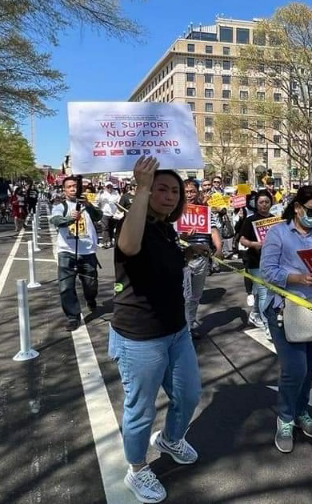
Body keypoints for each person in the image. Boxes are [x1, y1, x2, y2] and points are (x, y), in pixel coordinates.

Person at [108, 157, 201, 504]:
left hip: (177, 332)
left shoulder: (165, 228)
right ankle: (137, 468)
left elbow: (162, 261)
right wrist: (142, 187)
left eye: (175, 191)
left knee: (189, 395)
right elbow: (130, 247)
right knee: (140, 410)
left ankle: (170, 439)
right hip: (139, 338)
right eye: (161, 188)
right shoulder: (133, 223)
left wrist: (187, 251)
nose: (169, 195)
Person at [260, 185, 312, 454]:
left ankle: (302, 411)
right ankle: (285, 418)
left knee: (310, 368)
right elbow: (268, 272)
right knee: (295, 369)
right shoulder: (278, 233)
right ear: (298, 207)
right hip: (283, 308)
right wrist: (298, 278)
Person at [49, 176, 102, 332]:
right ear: (64, 190)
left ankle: (90, 299)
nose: (73, 189)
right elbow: (56, 220)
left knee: (91, 284)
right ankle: (73, 317)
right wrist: (69, 219)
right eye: (70, 186)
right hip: (67, 251)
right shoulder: (61, 206)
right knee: (66, 286)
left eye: (75, 186)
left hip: (88, 252)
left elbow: (98, 216)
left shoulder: (87, 204)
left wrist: (88, 205)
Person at [177, 179, 223, 338]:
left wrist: (219, 248)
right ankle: (179, 328)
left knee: (195, 295)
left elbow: (214, 229)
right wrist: (183, 235)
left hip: (201, 258)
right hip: (181, 258)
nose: (189, 195)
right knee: (181, 295)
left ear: (198, 192)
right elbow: (170, 236)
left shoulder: (205, 210)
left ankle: (189, 326)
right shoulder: (176, 211)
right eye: (186, 192)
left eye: (192, 191)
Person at [238, 189, 274, 338]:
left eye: (267, 202)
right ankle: (267, 325)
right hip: (255, 261)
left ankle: (254, 314)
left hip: (271, 261)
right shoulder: (250, 219)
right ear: (256, 204)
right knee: (264, 292)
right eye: (261, 202)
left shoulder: (275, 219)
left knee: (261, 292)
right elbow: (242, 239)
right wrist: (254, 244)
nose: (264, 205)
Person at [98, 181, 121, 249]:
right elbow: (97, 201)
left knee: (111, 228)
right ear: (105, 187)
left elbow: (119, 201)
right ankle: (106, 242)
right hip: (104, 213)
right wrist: (100, 196)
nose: (109, 188)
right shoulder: (102, 193)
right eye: (107, 186)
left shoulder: (116, 193)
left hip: (113, 213)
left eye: (110, 186)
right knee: (105, 228)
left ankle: (110, 241)